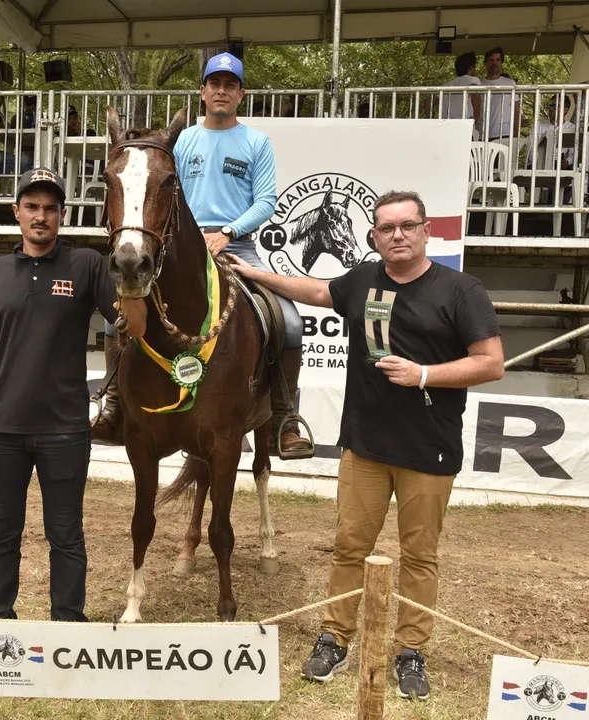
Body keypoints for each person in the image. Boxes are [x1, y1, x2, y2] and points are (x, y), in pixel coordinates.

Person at [226, 190, 505, 701]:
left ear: (426, 232)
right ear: (373, 237)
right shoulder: (361, 280)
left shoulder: (462, 290)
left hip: (430, 451)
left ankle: (410, 652)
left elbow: (491, 362)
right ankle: (334, 638)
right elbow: (311, 291)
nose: (397, 235)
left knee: (419, 556)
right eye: (387, 228)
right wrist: (253, 274)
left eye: (407, 226)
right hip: (365, 448)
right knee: (349, 548)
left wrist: (425, 374)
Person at [0, 167, 118, 680]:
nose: (42, 216)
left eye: (52, 208)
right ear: (16, 212)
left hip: (65, 428)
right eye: (33, 206)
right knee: (1, 535)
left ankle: (69, 638)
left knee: (66, 535)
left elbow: (127, 323)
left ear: (62, 215)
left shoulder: (87, 264)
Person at [94, 51, 313, 457]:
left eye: (230, 85)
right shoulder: (183, 140)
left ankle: (285, 418)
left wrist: (229, 232)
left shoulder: (256, 142)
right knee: (117, 318)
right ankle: (113, 406)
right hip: (179, 248)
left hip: (238, 246)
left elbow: (266, 201)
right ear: (202, 91)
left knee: (291, 321)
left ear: (241, 94)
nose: (222, 91)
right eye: (215, 83)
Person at [479, 47, 520, 142]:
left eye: (498, 60)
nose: (495, 63)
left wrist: (515, 136)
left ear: (501, 63)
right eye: (491, 60)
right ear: (485, 63)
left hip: (504, 134)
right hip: (481, 134)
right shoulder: (477, 84)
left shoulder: (510, 83)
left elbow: (516, 111)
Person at [439, 52, 482, 122]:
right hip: (464, 124)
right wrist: (475, 117)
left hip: (447, 125)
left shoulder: (446, 86)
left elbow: (427, 101)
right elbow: (475, 93)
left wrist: (432, 120)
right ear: (471, 68)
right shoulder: (472, 80)